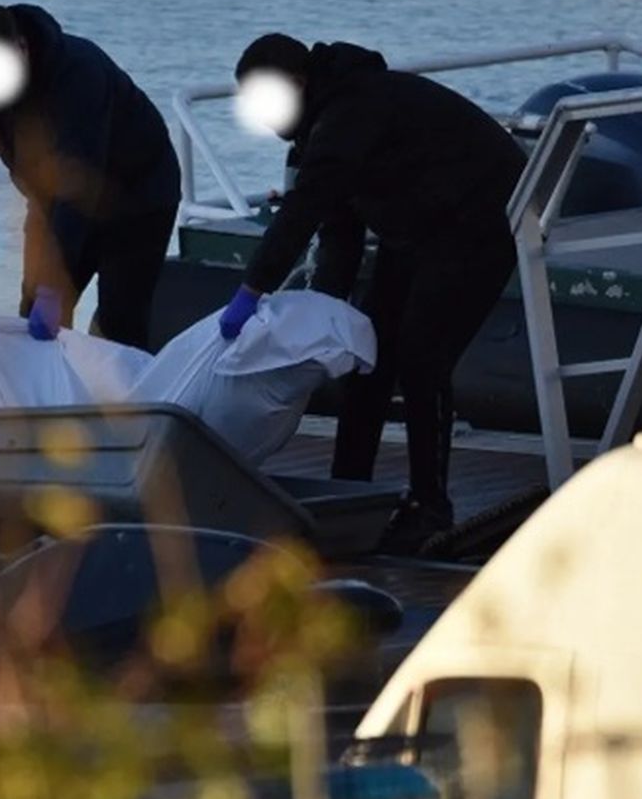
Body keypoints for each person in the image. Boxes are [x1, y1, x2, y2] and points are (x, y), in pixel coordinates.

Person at [219, 33, 527, 552]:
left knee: (422, 357)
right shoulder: (322, 127)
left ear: (297, 83)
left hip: (480, 218)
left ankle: (431, 509)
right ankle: (348, 492)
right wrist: (322, 309)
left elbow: (302, 211)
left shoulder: (351, 111)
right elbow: (338, 229)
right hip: (418, 226)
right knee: (367, 355)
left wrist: (252, 288)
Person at [0, 3, 180, 349]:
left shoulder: (78, 74)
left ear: (22, 47)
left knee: (118, 327)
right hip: (51, 202)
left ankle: (124, 376)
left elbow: (77, 186)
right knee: (33, 326)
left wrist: (52, 288)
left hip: (138, 197)